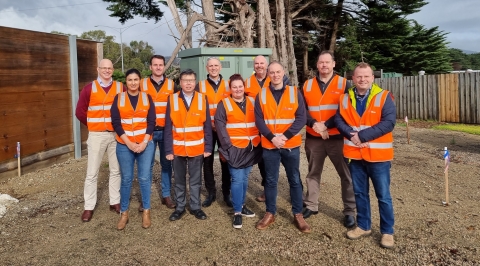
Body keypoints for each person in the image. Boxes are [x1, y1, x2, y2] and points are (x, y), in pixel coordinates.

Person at [334, 62, 396, 249]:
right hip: (355, 155)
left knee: (383, 195)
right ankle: (363, 226)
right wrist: (351, 134)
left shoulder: (384, 97)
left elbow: (389, 123)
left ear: (372, 78)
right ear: (353, 78)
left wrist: (361, 136)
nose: (362, 79)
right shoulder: (345, 98)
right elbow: (338, 119)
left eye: (366, 76)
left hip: (378, 157)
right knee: (360, 193)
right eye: (359, 76)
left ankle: (387, 231)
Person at [301, 51, 356, 228]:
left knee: (346, 175)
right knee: (313, 173)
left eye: (327, 62)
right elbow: (302, 110)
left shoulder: (344, 84)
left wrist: (326, 125)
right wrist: (315, 124)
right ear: (317, 65)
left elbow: (346, 109)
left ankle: (349, 211)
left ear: (334, 64)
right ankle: (311, 205)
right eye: (321, 62)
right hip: (314, 137)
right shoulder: (307, 85)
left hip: (337, 137)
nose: (324, 65)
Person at [254, 61, 311, 233]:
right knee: (271, 180)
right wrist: (272, 138)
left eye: (278, 72)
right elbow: (259, 120)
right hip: (270, 146)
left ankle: (298, 214)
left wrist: (284, 137)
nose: (275, 75)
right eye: (272, 72)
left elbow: (301, 118)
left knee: (294, 179)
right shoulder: (261, 94)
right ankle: (270, 213)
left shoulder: (295, 92)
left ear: (283, 72)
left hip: (290, 145)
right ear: (268, 74)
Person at [75, 59, 122, 222]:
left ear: (113, 70)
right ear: (98, 69)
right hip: (96, 135)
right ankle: (88, 206)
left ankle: (114, 201)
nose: (107, 71)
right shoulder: (89, 88)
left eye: (109, 68)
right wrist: (93, 124)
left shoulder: (119, 87)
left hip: (115, 135)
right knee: (92, 172)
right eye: (104, 68)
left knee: (116, 170)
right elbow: (80, 111)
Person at [215, 74, 262, 229]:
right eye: (234, 87)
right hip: (234, 148)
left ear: (244, 87)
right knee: (236, 178)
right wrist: (227, 147)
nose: (237, 89)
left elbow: (261, 121)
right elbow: (220, 127)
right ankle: (236, 212)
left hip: (251, 146)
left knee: (245, 177)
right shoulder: (224, 104)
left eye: (240, 86)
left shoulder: (253, 102)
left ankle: (241, 206)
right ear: (230, 88)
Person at [165, 69, 213, 221]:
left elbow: (207, 126)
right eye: (185, 80)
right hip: (177, 149)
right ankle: (180, 207)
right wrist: (168, 149)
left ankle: (195, 207)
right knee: (179, 180)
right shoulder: (172, 99)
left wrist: (208, 147)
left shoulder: (202, 99)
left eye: (191, 80)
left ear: (195, 82)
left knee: (195, 180)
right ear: (180, 81)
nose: (188, 83)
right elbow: (168, 127)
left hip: (197, 148)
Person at [111, 68, 156, 230]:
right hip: (125, 145)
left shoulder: (147, 97)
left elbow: (151, 122)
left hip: (145, 144)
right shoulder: (119, 98)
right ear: (126, 82)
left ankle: (146, 211)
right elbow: (116, 123)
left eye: (136, 79)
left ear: (140, 81)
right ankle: (124, 213)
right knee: (127, 179)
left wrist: (144, 142)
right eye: (130, 80)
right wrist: (129, 143)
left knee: (144, 178)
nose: (133, 83)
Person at [138, 55, 177, 211]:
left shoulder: (172, 85)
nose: (159, 67)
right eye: (155, 65)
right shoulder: (142, 84)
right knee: (146, 167)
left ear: (164, 67)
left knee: (167, 165)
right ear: (150, 67)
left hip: (166, 132)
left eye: (161, 65)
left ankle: (166, 195)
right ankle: (145, 199)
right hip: (148, 132)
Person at [196, 57, 232, 208]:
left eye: (216, 65)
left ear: (220, 67)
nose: (213, 68)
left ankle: (227, 193)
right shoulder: (200, 86)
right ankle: (211, 192)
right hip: (207, 130)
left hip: (224, 129)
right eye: (210, 66)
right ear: (206, 68)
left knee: (226, 160)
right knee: (207, 161)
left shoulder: (229, 85)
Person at [244, 55, 269, 203]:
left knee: (286, 160)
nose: (259, 65)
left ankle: (297, 191)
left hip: (274, 127)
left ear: (266, 65)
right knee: (262, 160)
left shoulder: (275, 79)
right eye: (257, 63)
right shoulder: (247, 83)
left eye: (262, 63)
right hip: (256, 128)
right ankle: (267, 189)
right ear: (254, 66)